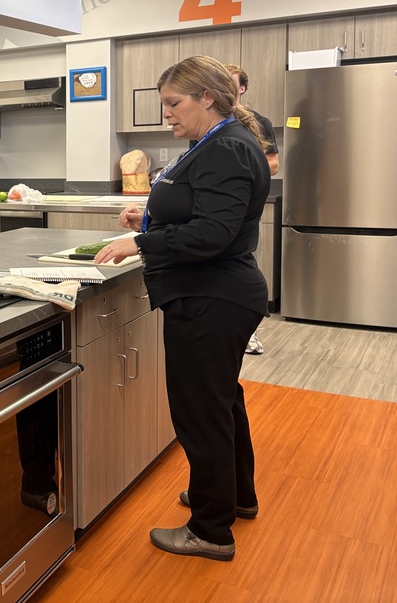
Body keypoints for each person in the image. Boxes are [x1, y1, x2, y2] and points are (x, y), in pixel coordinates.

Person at [95, 55, 270, 562]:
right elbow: (202, 211)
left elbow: (213, 234)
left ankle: (209, 531)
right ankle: (234, 496)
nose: (166, 114)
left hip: (211, 297)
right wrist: (147, 216)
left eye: (174, 103)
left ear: (207, 98)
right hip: (217, 293)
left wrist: (142, 244)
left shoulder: (226, 149)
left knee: (201, 413)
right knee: (221, 402)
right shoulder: (218, 144)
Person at [226, 63, 278, 355]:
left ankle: (249, 334)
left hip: (244, 205)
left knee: (242, 265)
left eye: (232, 83)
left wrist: (241, 170)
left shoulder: (259, 122)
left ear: (242, 88)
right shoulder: (206, 123)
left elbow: (272, 163)